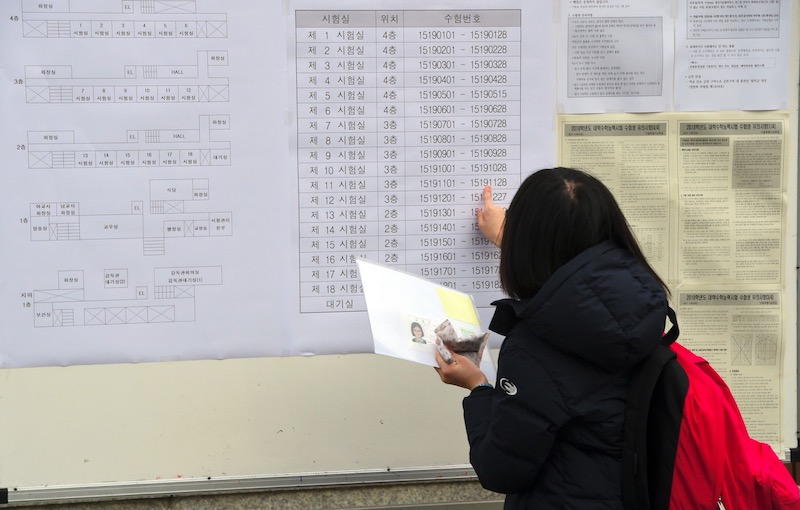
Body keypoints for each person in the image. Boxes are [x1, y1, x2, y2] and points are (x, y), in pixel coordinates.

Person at [433, 167, 670, 509]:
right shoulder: (640, 305)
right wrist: (509, 241)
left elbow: (500, 469)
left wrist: (479, 388)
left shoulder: (536, 348)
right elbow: (574, 280)